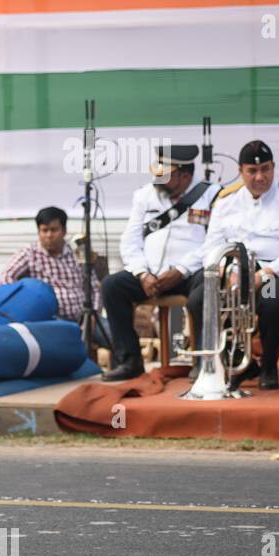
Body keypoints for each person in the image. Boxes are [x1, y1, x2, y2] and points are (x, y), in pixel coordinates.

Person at [190, 140, 279, 390]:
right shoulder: (226, 201)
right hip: (235, 270)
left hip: (277, 272)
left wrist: (265, 273)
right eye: (252, 171)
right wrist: (226, 273)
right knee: (200, 299)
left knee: (271, 301)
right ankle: (237, 362)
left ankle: (269, 366)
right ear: (240, 171)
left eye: (266, 169)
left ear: (273, 167)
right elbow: (211, 246)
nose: (260, 177)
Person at [100, 144, 213, 380]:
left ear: (185, 175)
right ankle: (130, 361)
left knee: (205, 290)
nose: (157, 178)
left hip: (190, 271)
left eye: (166, 174)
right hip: (151, 274)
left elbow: (215, 242)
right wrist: (142, 273)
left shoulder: (213, 194)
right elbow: (129, 241)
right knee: (112, 286)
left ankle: (205, 359)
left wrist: (180, 270)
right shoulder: (144, 195)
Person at [0, 206, 98, 322]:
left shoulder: (76, 252)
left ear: (64, 231)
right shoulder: (29, 253)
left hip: (85, 317)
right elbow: (6, 277)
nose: (49, 235)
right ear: (39, 232)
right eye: (44, 230)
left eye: (54, 230)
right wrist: (26, 304)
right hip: (50, 320)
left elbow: (94, 287)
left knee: (116, 333)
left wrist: (93, 315)